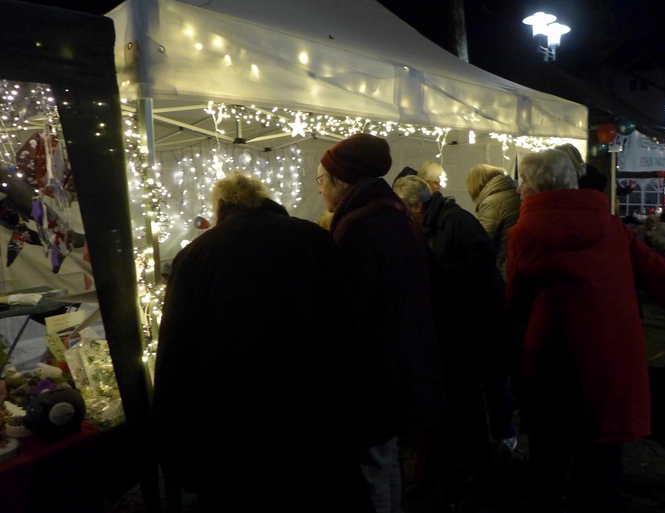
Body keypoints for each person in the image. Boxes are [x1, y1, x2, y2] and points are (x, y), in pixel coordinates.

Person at [506, 149, 665, 513]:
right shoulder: (612, 225)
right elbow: (661, 276)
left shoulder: (525, 232)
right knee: (603, 461)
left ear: (534, 184)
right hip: (613, 361)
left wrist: (506, 354)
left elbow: (515, 306)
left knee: (549, 458)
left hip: (553, 364)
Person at [153, 172, 373, 513]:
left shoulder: (196, 256)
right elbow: (347, 325)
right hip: (313, 412)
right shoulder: (312, 238)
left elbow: (176, 356)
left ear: (221, 207)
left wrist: (176, 452)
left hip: (235, 426)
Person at [317, 133, 446, 513]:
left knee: (372, 464)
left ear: (342, 182)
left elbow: (352, 307)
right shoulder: (391, 213)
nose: (320, 189)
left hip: (380, 367)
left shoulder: (360, 225)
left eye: (321, 180)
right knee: (384, 458)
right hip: (402, 361)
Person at [392, 175, 518, 509]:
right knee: (460, 406)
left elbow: (479, 267)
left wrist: (438, 274)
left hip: (473, 332)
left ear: (417, 206)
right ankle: (464, 472)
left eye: (406, 213)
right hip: (462, 331)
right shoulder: (441, 221)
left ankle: (477, 472)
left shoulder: (455, 221)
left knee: (467, 406)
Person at [466, 163, 521, 280]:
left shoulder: (491, 202)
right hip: (516, 261)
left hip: (503, 269)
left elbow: (482, 240)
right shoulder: (511, 192)